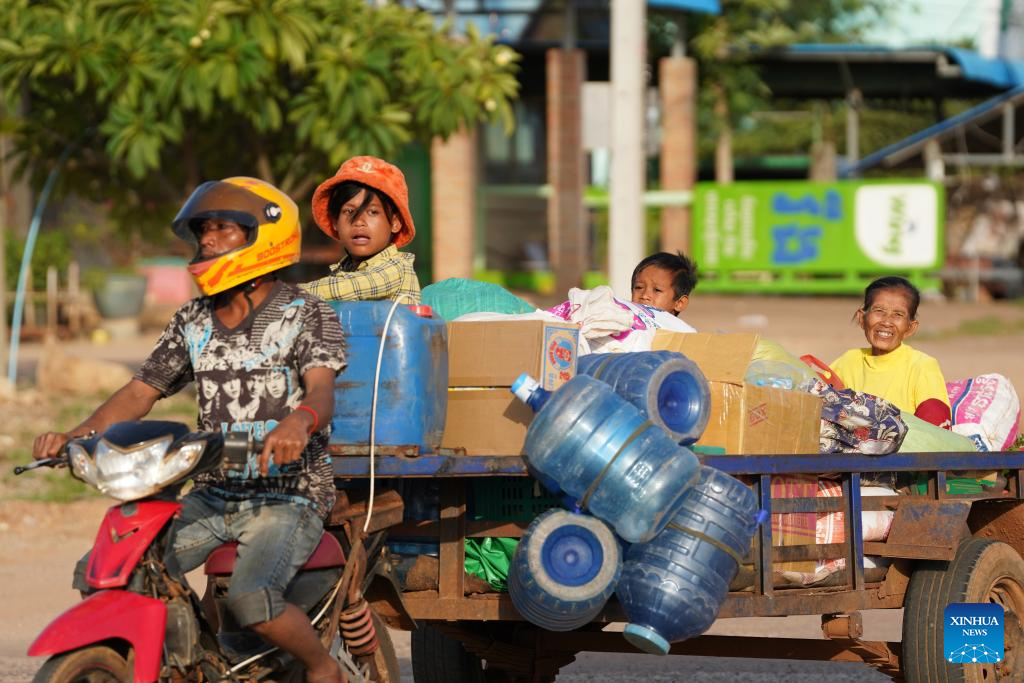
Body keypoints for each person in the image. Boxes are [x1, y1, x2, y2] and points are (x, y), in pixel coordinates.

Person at [32, 177, 348, 683]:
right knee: (109, 569)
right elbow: (140, 392)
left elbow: (321, 391)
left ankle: (322, 667)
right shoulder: (192, 320)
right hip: (212, 492)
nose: (209, 239)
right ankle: (195, 658)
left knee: (252, 598)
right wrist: (77, 435)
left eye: (223, 228)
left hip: (288, 495)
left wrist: (298, 421)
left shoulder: (305, 313)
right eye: (203, 230)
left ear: (264, 236)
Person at [830, 276, 951, 428]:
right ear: (862, 318)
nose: (887, 321)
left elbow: (935, 427)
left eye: (898, 315)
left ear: (910, 328)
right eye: (879, 311)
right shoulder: (848, 361)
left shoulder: (922, 366)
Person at [302, 155, 421, 304]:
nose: (359, 222)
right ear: (335, 222)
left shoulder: (397, 268)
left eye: (373, 212)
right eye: (349, 211)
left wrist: (286, 293)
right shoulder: (343, 270)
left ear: (395, 222)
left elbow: (347, 287)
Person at [630, 251, 698, 318]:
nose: (644, 296)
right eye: (639, 287)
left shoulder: (677, 326)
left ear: (679, 303)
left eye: (657, 290)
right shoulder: (625, 322)